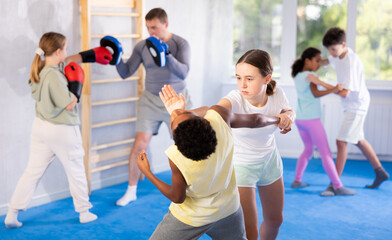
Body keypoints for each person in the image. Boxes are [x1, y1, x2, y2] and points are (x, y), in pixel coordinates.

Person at [3, 32, 120, 228]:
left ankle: (12, 214)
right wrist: (77, 88)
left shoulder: (39, 69)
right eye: (65, 49)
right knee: (76, 172)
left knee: (32, 172)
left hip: (40, 129)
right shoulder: (55, 76)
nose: (67, 52)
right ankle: (84, 213)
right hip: (63, 129)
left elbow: (63, 61)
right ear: (58, 51)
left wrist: (90, 55)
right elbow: (68, 104)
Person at [137, 84, 282, 240]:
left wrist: (147, 172)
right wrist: (279, 119)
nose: (176, 113)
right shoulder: (219, 119)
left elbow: (177, 197)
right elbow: (257, 119)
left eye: (175, 119)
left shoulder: (176, 156)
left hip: (192, 218)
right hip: (228, 210)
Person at [115, 8, 192, 207]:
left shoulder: (180, 44)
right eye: (148, 27)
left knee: (184, 146)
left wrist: (165, 53)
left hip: (175, 100)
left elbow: (183, 73)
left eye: (155, 27)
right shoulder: (142, 46)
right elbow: (126, 72)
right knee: (139, 145)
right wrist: (116, 59)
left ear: (166, 24)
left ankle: (189, 190)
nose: (151, 32)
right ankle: (131, 190)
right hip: (150, 99)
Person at [217, 49, 294, 240]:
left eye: (249, 79)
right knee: (249, 234)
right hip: (242, 167)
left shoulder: (277, 94)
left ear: (266, 79)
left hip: (270, 162)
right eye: (238, 77)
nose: (242, 84)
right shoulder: (235, 98)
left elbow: (289, 111)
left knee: (276, 220)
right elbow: (217, 110)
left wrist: (288, 117)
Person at [322, 27, 389, 189]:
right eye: (328, 50)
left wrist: (322, 85)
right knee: (358, 140)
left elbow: (344, 93)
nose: (331, 53)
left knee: (341, 141)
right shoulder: (338, 54)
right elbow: (325, 61)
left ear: (343, 44)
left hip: (357, 105)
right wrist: (308, 63)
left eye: (333, 49)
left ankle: (335, 184)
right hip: (351, 104)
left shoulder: (351, 61)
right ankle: (380, 172)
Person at [290, 47, 356, 196]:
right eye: (317, 60)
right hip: (311, 120)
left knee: (307, 150)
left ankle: (297, 180)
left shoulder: (297, 75)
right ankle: (338, 186)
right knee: (325, 153)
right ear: (307, 60)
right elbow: (316, 93)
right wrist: (333, 89)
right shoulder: (310, 74)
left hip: (300, 119)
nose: (319, 63)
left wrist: (333, 86)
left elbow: (315, 87)